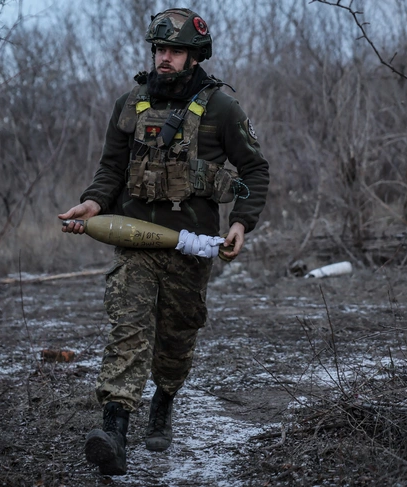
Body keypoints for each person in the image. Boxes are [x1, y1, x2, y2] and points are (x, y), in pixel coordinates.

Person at [58, 7, 269, 476]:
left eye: (174, 50)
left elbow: (255, 170)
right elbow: (111, 168)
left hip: (191, 244)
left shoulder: (222, 108)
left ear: (194, 56)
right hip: (134, 238)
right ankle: (114, 430)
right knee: (127, 331)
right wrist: (93, 204)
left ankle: (164, 401)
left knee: (176, 340)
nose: (164, 58)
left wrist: (241, 224)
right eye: (159, 50)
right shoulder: (129, 103)